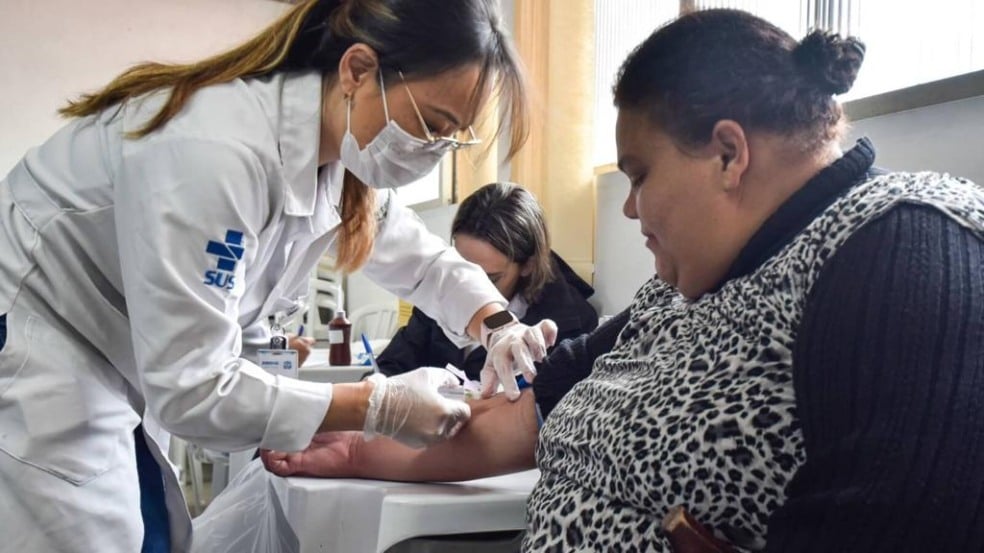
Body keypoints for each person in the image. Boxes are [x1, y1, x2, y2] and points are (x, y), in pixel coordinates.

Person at [261, 9, 984, 552]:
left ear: (728, 154)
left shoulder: (905, 248)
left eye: (639, 174)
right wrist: (355, 444)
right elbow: (516, 419)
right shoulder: (680, 294)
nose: (629, 205)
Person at [0, 0, 560, 551]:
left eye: (451, 137)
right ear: (357, 71)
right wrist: (376, 406)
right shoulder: (215, 151)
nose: (432, 153)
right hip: (40, 342)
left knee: (154, 531)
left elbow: (426, 262)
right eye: (430, 125)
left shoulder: (337, 167)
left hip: (114, 361)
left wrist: (498, 325)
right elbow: (194, 388)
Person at [377, 182, 598, 384]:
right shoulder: (441, 290)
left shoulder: (572, 325)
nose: (468, 287)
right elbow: (390, 365)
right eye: (459, 270)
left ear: (528, 264)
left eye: (490, 278)